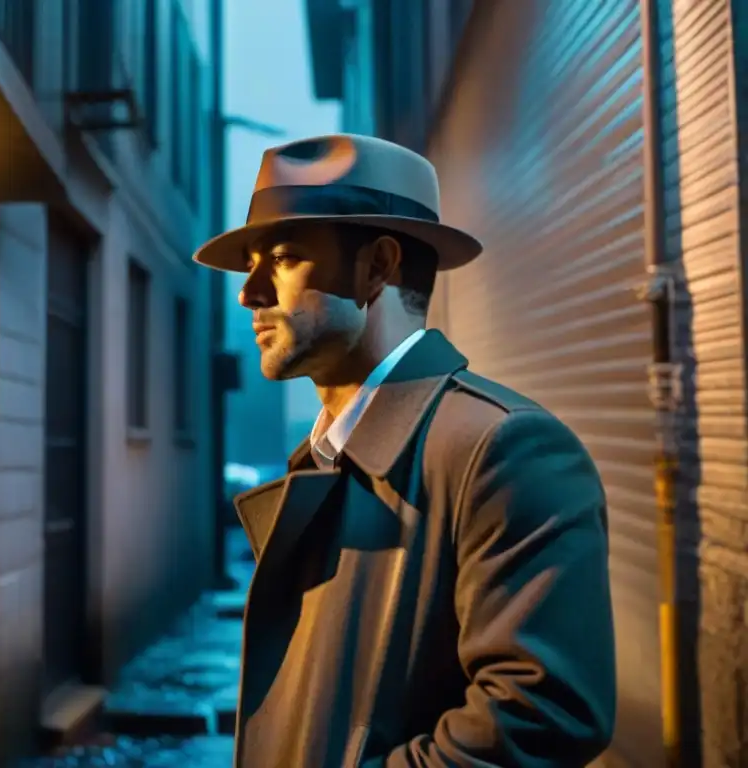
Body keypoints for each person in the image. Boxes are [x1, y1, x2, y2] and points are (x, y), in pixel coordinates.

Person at [192, 134, 617, 767]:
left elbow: (542, 714)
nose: (249, 293)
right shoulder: (324, 458)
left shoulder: (502, 449)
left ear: (378, 266)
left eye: (280, 257)